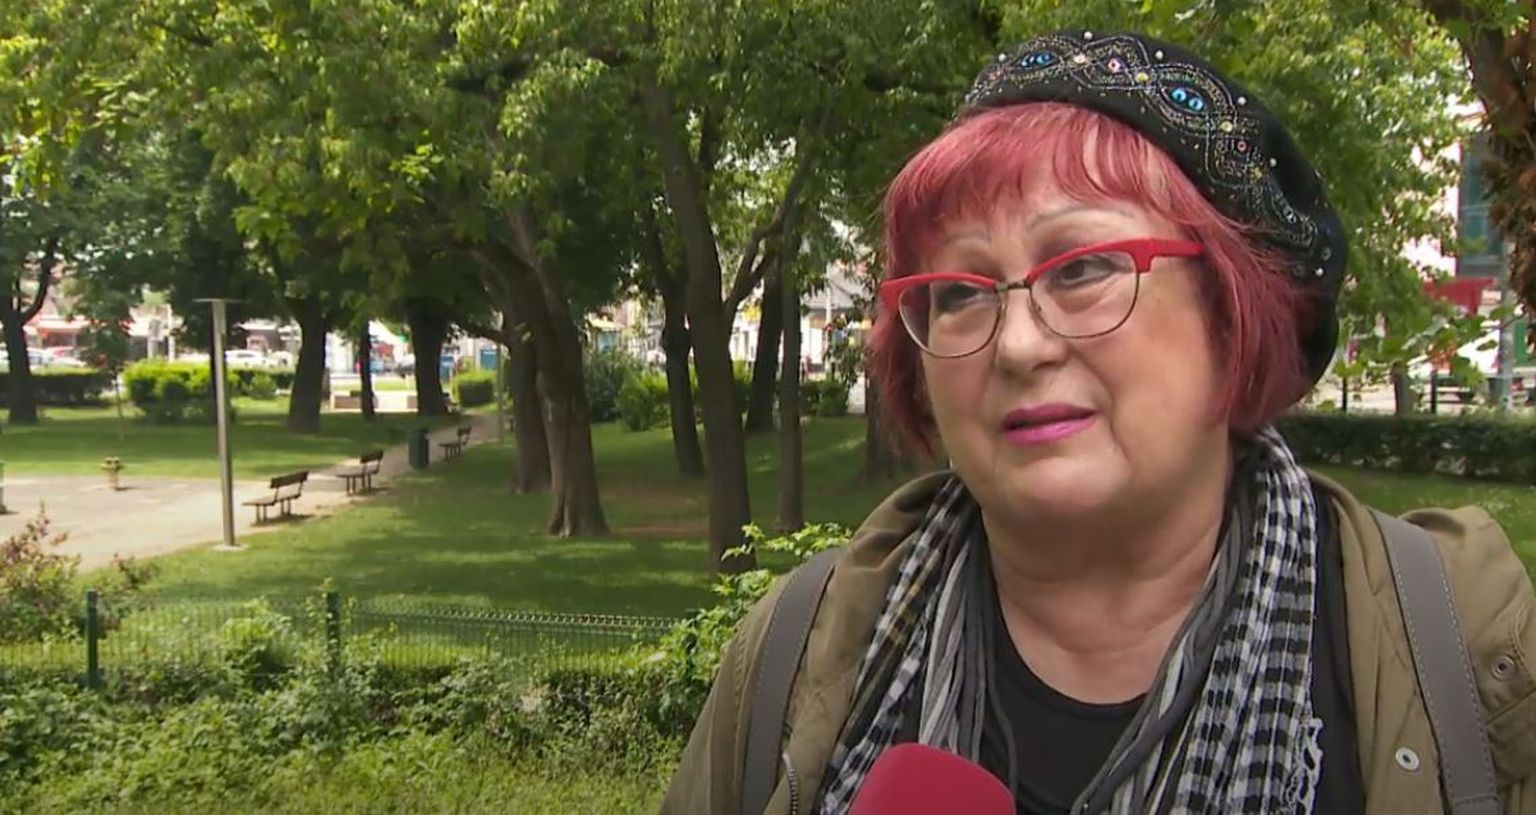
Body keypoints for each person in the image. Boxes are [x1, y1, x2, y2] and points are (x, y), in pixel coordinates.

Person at [661, 29, 1536, 815]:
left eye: (1081, 270)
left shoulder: (1471, 658)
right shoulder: (796, 653)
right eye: (961, 291)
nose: (1018, 344)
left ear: (1231, 314)